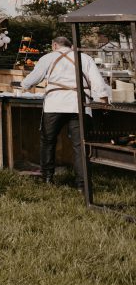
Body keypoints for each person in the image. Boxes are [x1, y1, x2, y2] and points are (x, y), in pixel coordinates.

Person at [22, 36, 111, 189]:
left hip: (54, 105)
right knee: (80, 145)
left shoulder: (48, 58)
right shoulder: (85, 58)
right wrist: (104, 101)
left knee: (48, 142)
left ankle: (47, 179)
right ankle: (82, 184)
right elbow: (97, 82)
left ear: (54, 45)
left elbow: (30, 81)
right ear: (70, 46)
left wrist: (24, 85)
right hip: (79, 105)